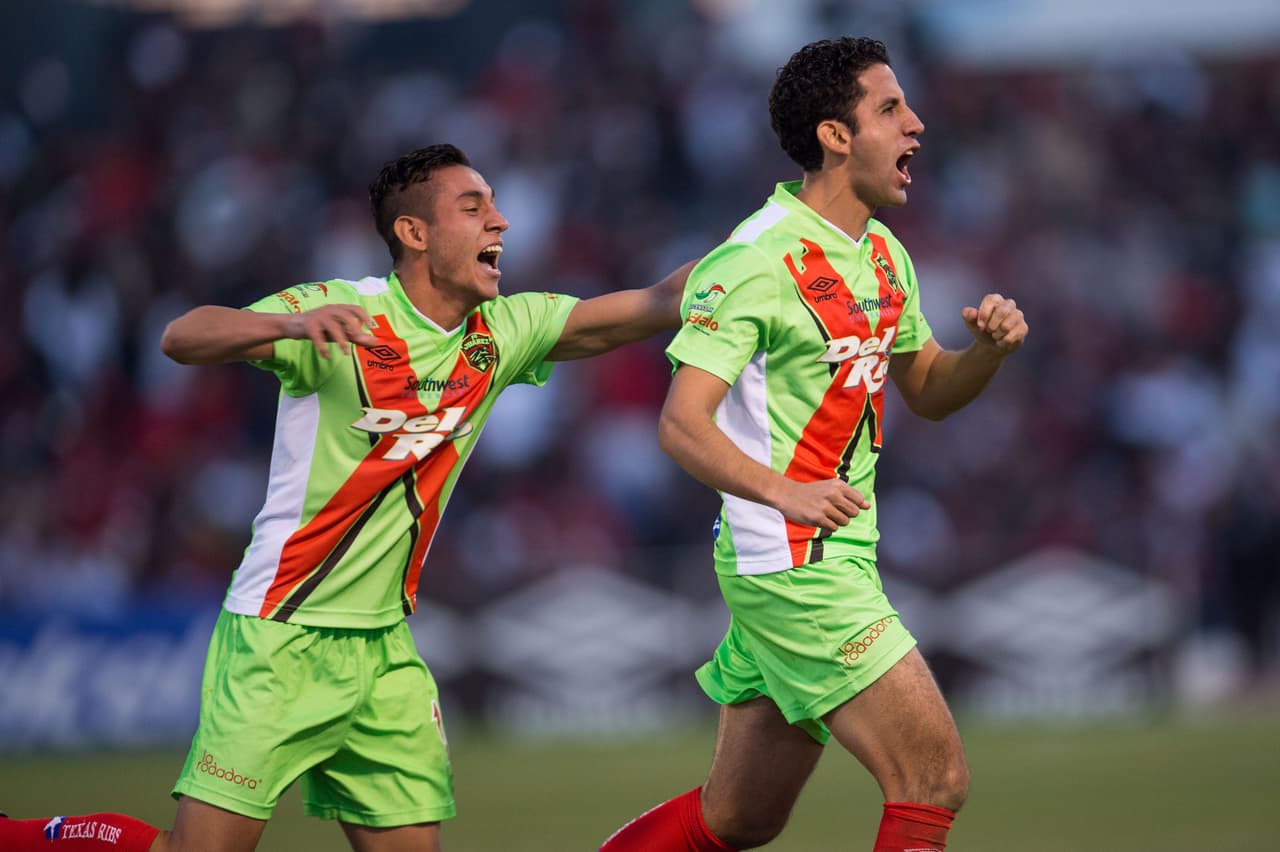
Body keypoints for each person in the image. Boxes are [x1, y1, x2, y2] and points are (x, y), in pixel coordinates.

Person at [1, 143, 693, 852]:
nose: (502, 222)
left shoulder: (503, 333)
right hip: (282, 635)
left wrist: (761, 251)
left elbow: (653, 303)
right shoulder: (340, 312)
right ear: (414, 233)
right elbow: (184, 335)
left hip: (384, 651)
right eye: (474, 207)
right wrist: (285, 327)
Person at [599, 37, 1027, 852]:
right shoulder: (757, 258)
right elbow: (680, 423)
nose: (917, 125)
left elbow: (928, 389)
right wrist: (785, 491)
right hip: (793, 561)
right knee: (931, 778)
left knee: (740, 819)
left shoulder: (883, 255)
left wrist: (988, 356)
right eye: (891, 109)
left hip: (831, 553)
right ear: (836, 136)